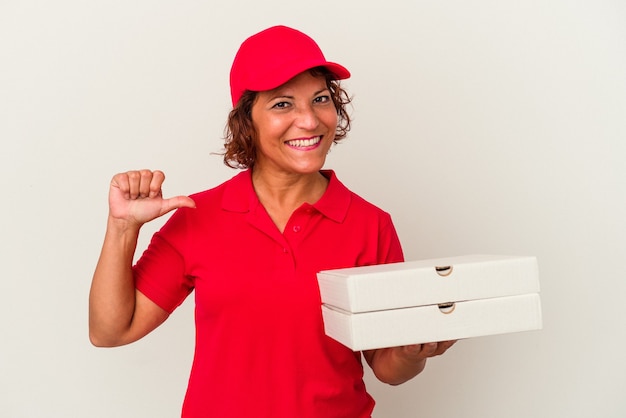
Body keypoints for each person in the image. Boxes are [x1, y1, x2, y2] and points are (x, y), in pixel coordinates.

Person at [89, 25, 456, 418]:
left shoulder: (371, 224)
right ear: (247, 121)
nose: (310, 120)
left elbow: (386, 366)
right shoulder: (199, 217)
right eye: (283, 104)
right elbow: (111, 331)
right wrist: (123, 229)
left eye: (320, 99)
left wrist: (414, 351)